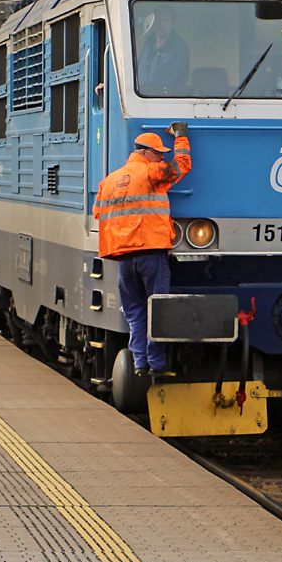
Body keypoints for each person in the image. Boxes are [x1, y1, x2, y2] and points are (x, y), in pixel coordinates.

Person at [92, 122, 192, 377]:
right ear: (145, 152)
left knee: (135, 313)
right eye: (158, 152)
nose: (161, 156)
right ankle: (157, 365)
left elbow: (97, 213)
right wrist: (181, 136)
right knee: (157, 309)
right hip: (150, 252)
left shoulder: (109, 181)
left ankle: (140, 363)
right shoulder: (152, 172)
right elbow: (183, 165)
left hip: (123, 257)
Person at [138, 4, 190, 91]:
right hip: (142, 97)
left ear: (173, 23)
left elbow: (164, 80)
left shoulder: (179, 48)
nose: (160, 24)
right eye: (157, 19)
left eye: (165, 20)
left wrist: (140, 90)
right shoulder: (148, 43)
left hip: (166, 99)